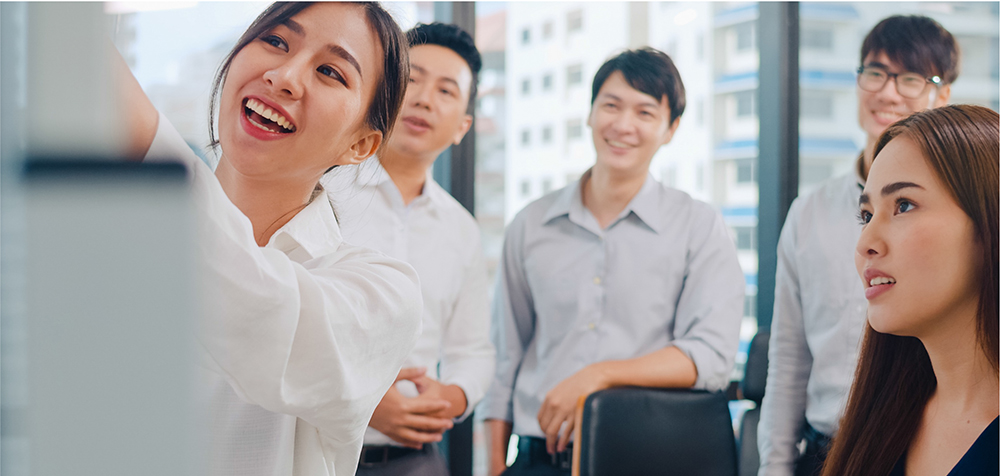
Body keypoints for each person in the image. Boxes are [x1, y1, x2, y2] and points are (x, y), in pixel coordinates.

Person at [116, 3, 423, 475]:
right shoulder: (110, 233)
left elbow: (266, 319)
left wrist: (145, 144)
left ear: (359, 145)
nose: (284, 76)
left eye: (330, 71)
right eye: (276, 41)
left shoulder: (381, 292)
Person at [480, 47, 745, 476]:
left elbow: (711, 357)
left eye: (645, 112)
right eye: (611, 105)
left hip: (645, 455)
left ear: (670, 129)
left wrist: (598, 376)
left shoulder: (698, 225)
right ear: (589, 114)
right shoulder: (531, 224)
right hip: (537, 460)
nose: (623, 125)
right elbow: (504, 357)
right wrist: (492, 465)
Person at [757, 15, 958, 476]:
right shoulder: (808, 212)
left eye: (909, 79)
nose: (887, 93)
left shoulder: (957, 212)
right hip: (823, 451)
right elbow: (788, 361)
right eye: (874, 73)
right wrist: (774, 467)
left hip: (918, 451)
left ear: (942, 95)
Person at [323, 22, 495, 475]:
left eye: (446, 90)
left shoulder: (461, 229)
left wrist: (452, 398)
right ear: (384, 91)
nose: (423, 99)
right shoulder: (321, 191)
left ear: (462, 126)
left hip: (415, 461)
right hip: (313, 449)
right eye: (413, 79)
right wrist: (363, 401)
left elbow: (473, 351)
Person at [822, 104, 998, 475]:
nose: (865, 241)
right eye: (866, 216)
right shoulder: (880, 422)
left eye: (903, 205)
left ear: (990, 224)